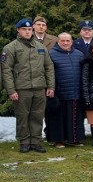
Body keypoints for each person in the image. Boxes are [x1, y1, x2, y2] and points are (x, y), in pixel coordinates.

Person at [1, 18, 55, 153]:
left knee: (37, 115)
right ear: (18, 30)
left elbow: (49, 67)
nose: (27, 31)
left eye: (29, 29)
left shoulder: (41, 47)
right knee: (22, 115)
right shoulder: (10, 47)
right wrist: (11, 90)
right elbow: (6, 70)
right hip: (21, 88)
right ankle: (24, 141)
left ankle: (36, 141)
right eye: (24, 29)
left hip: (39, 87)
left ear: (32, 30)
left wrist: (50, 86)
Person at [45, 33, 86, 147]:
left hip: (75, 92)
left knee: (74, 118)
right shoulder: (51, 54)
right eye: (62, 41)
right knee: (58, 119)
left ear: (71, 42)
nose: (65, 43)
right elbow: (47, 72)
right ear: (58, 42)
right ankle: (59, 140)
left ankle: (74, 139)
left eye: (68, 41)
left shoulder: (79, 54)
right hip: (58, 92)